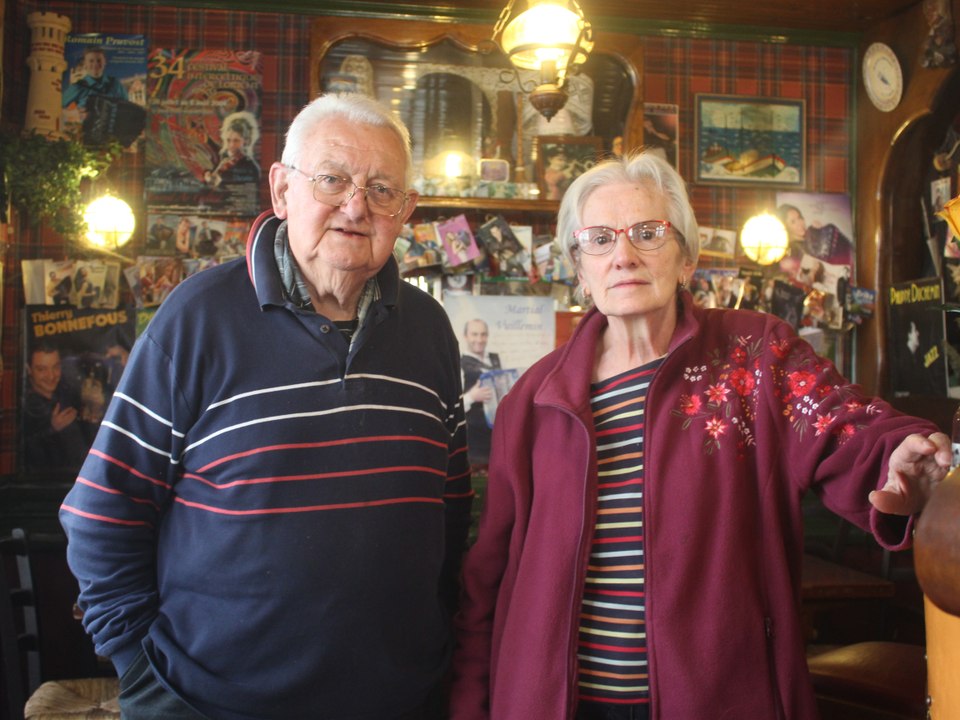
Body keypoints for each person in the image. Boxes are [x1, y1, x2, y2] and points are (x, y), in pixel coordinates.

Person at [449, 150, 951, 719]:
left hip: (719, 699)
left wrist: (900, 455)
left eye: (647, 233)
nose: (623, 255)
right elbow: (486, 577)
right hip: (550, 705)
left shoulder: (756, 356)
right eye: (599, 239)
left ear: (687, 257)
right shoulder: (534, 399)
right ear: (579, 268)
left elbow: (849, 428)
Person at [60, 93, 473, 720]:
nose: (356, 207)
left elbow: (449, 511)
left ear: (406, 211)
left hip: (401, 698)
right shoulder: (196, 319)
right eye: (332, 179)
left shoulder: (430, 329)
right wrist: (145, 681)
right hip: (210, 704)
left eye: (382, 189)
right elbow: (102, 514)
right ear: (282, 190)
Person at [22, 343, 88, 474]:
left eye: (56, 367)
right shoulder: (22, 406)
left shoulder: (66, 393)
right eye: (41, 369)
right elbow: (23, 454)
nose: (51, 376)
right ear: (28, 369)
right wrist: (52, 429)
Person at [460, 319, 502, 467]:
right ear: (465, 336)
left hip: (497, 434)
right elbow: (453, 406)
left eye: (483, 334)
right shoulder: (460, 363)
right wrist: (472, 396)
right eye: (474, 334)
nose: (479, 339)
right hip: (474, 439)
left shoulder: (495, 359)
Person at [62, 46, 128, 117]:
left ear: (105, 62)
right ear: (86, 64)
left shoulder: (116, 84)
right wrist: (71, 113)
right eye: (91, 61)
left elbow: (128, 107)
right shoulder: (77, 87)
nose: (95, 64)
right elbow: (56, 106)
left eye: (99, 60)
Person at [204, 111, 262, 187]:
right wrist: (209, 178)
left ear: (246, 141)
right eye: (228, 140)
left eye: (236, 140)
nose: (231, 145)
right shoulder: (224, 161)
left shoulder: (251, 167)